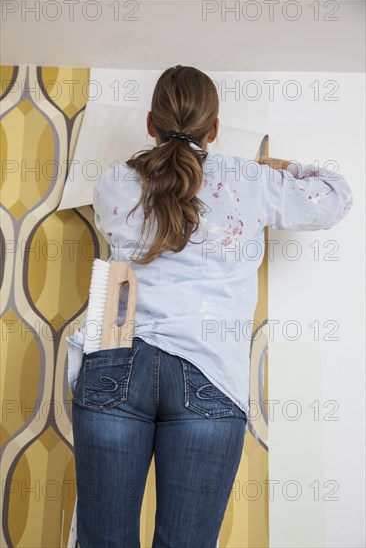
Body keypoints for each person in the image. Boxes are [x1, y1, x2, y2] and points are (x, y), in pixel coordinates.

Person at [70, 65, 353, 547]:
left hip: (114, 362)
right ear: (215, 128)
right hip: (209, 375)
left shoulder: (114, 184)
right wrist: (280, 168)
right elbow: (335, 198)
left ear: (150, 123)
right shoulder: (249, 180)